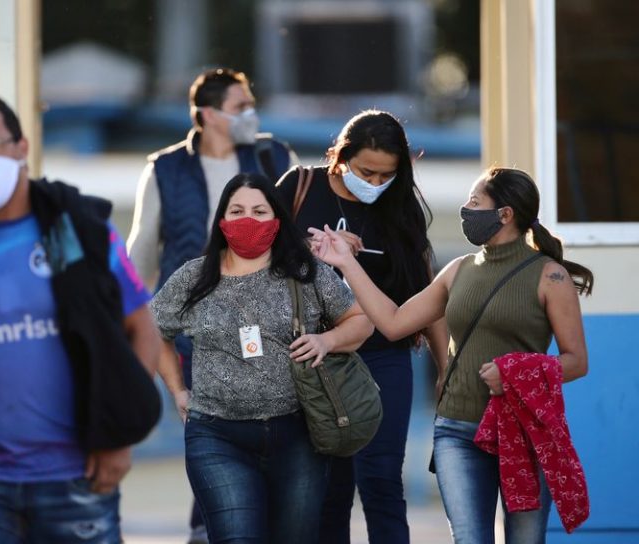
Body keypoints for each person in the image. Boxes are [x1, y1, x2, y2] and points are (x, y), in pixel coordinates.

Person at [0, 96, 161, 543]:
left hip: (78, 474)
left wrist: (120, 436)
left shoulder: (70, 236)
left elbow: (141, 330)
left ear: (21, 147)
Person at [310, 167, 593, 544]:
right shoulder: (458, 270)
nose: (466, 209)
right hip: (456, 431)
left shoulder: (550, 277)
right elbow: (394, 323)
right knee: (469, 539)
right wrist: (346, 262)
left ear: (504, 214)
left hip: (523, 430)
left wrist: (515, 372)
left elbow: (576, 361)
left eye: (475, 202)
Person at [150, 173, 373, 544]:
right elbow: (154, 329)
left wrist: (326, 340)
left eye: (258, 210)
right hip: (216, 435)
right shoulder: (194, 276)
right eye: (236, 211)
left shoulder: (304, 271)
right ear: (221, 220)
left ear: (277, 220)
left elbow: (361, 320)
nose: (247, 220)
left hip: (298, 433)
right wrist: (177, 390)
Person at [127, 67, 295, 542]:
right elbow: (141, 252)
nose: (250, 113)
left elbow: (298, 235)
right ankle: (210, 529)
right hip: (198, 326)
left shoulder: (274, 155)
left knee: (276, 430)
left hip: (274, 321)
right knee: (211, 430)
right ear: (208, 114)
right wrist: (132, 325)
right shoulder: (164, 168)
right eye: (241, 106)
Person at [275, 109, 448, 544]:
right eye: (365, 172)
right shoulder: (299, 187)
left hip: (383, 353)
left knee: (383, 480)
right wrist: (311, 248)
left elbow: (425, 291)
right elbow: (253, 257)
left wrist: (446, 365)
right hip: (315, 355)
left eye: (385, 176)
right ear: (339, 156)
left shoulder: (400, 204)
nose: (374, 184)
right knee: (329, 487)